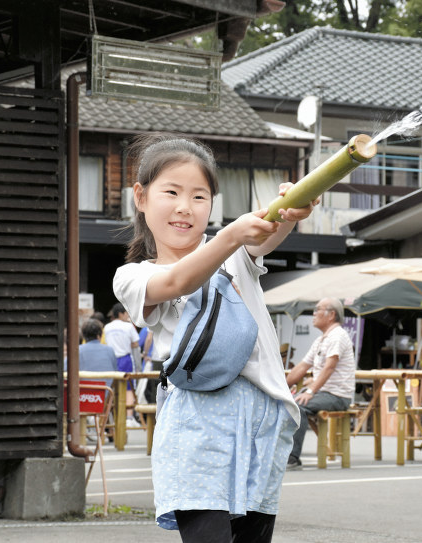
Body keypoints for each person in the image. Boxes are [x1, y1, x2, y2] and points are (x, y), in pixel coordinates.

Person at [112, 133, 316, 542]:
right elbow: (177, 280)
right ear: (140, 196)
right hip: (198, 422)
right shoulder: (134, 275)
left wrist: (293, 213)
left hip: (263, 417)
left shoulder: (236, 252)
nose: (184, 207)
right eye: (171, 192)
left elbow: (266, 232)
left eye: (200, 197)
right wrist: (232, 236)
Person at [284, 297, 356, 470]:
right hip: (323, 393)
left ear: (331, 315)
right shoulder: (321, 340)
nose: (313, 314)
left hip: (337, 396)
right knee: (285, 402)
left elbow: (329, 368)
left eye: (317, 309)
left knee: (298, 406)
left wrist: (309, 391)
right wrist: (281, 387)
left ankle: (292, 458)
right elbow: (301, 367)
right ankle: (282, 453)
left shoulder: (338, 336)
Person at [103, 302, 141, 428]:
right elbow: (135, 344)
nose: (127, 316)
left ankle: (109, 416)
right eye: (126, 313)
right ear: (121, 313)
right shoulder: (128, 326)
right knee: (129, 388)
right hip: (125, 359)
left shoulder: (107, 327)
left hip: (111, 359)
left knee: (111, 388)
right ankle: (129, 417)